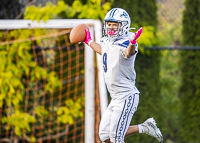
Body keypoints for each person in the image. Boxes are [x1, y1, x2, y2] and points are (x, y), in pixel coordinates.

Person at [84, 8, 163, 143]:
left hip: (126, 96)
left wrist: (132, 43)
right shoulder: (107, 41)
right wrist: (89, 41)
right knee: (104, 136)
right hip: (115, 97)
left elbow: (128, 53)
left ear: (124, 25)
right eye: (109, 24)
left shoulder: (127, 40)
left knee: (116, 138)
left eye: (115, 25)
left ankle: (144, 128)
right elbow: (103, 51)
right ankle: (144, 128)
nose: (111, 27)